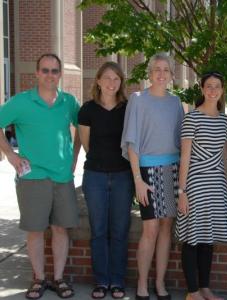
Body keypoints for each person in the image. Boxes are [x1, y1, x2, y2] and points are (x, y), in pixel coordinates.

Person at [0, 53, 80, 299]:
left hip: (62, 177)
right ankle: (38, 279)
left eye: (54, 71)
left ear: (60, 74)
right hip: (32, 177)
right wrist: (11, 157)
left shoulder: (68, 102)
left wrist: (74, 157)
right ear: (36, 73)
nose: (49, 75)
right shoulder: (22, 102)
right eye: (45, 70)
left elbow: (82, 128)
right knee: (35, 230)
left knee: (59, 230)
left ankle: (57, 279)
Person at [121, 53, 184, 300]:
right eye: (156, 69)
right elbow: (132, 144)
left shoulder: (175, 102)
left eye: (166, 70)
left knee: (167, 227)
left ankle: (159, 283)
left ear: (171, 75)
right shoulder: (138, 100)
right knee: (151, 228)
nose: (161, 74)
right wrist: (138, 179)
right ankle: (142, 285)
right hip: (147, 170)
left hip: (172, 169)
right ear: (149, 73)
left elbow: (182, 141)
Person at [78, 62, 133, 299]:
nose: (112, 83)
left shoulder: (128, 108)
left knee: (120, 231)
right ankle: (101, 281)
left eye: (117, 78)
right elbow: (87, 145)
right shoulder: (87, 110)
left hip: (123, 176)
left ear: (121, 83)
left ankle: (117, 281)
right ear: (98, 81)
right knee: (99, 230)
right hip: (95, 177)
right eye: (107, 78)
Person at [176, 71, 227, 300]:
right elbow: (185, 157)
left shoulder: (223, 120)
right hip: (195, 185)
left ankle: (205, 288)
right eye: (208, 86)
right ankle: (192, 292)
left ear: (221, 90)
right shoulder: (192, 118)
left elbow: (224, 156)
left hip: (216, 185)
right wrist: (182, 192)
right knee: (192, 238)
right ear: (202, 89)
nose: (212, 90)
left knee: (208, 239)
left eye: (217, 86)